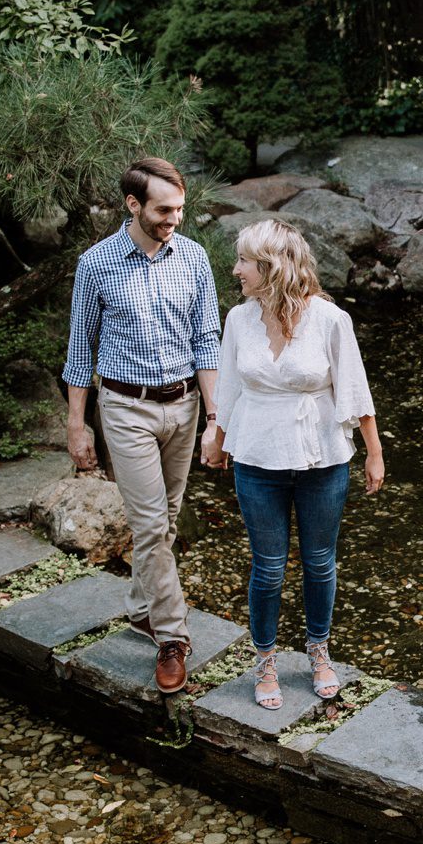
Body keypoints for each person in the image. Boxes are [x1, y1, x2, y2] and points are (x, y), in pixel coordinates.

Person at [201, 218, 383, 708]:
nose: (236, 269)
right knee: (268, 566)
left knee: (320, 562)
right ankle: (265, 660)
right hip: (257, 457)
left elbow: (353, 386)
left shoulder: (330, 320)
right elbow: (232, 387)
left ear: (272, 266)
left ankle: (318, 652)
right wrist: (216, 436)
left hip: (323, 457)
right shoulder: (239, 319)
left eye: (244, 261)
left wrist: (374, 451)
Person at [62, 157, 221, 694]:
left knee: (166, 521)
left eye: (180, 207)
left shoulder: (195, 259)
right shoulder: (96, 264)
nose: (175, 217)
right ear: (133, 205)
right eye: (163, 209)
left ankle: (137, 605)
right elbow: (79, 353)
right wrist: (77, 426)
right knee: (152, 525)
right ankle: (172, 638)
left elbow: (207, 343)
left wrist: (215, 419)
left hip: (184, 406)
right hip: (125, 409)